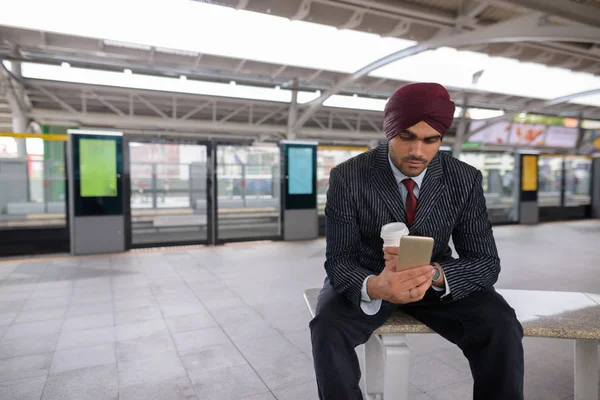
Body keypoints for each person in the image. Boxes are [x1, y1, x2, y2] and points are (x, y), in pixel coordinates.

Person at [309, 82, 524, 400]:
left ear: (441, 138)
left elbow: (485, 261)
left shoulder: (463, 179)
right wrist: (376, 286)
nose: (417, 151)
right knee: (326, 329)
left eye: (430, 140)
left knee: (502, 324)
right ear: (389, 131)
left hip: (434, 279)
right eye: (406, 136)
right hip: (370, 275)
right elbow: (339, 259)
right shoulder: (348, 176)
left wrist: (435, 274)